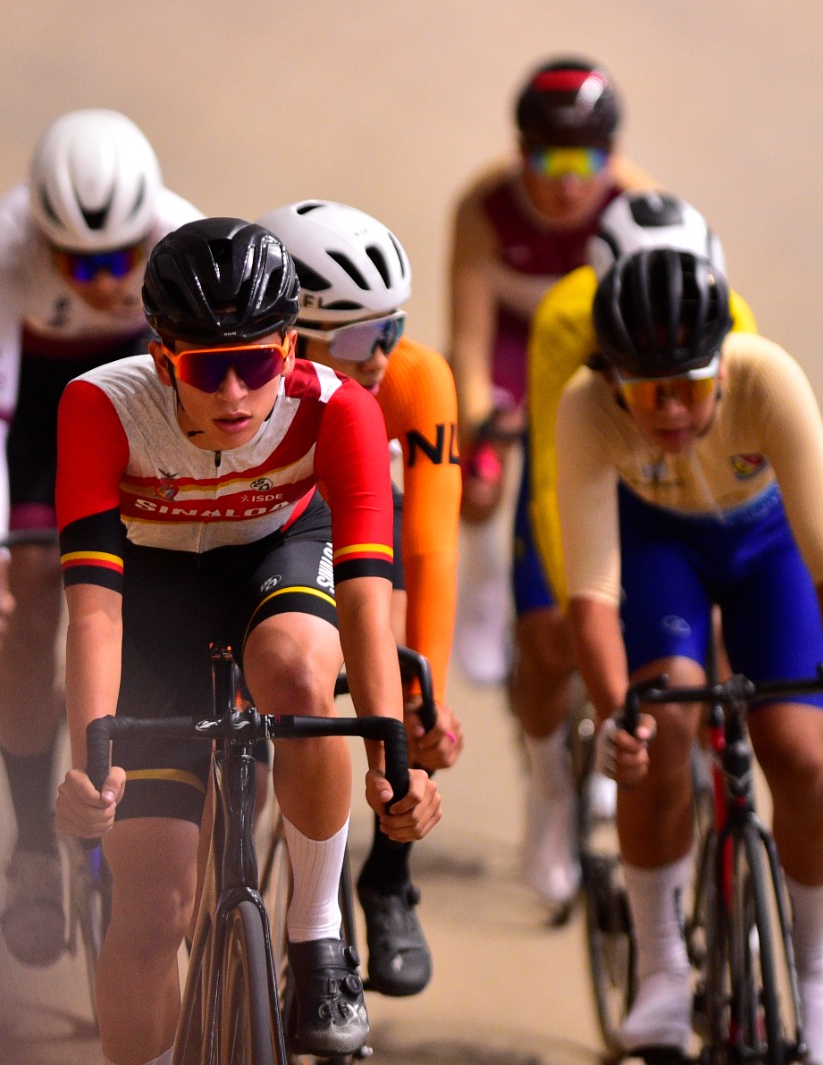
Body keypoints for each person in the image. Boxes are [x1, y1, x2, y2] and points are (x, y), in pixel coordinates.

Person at [53, 218, 442, 1065]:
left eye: (257, 365)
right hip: (155, 595)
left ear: (290, 349)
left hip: (279, 555)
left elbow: (367, 602)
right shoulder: (99, 407)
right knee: (152, 911)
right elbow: (95, 613)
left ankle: (319, 936)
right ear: (163, 360)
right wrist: (91, 764)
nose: (234, 393)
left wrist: (393, 758)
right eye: (206, 368)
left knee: (298, 671)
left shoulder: (340, 407)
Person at [557, 248, 823, 1065]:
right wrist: (616, 716)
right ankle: (663, 967)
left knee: (799, 747)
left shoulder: (768, 376)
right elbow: (593, 595)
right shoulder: (584, 406)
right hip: (658, 545)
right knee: (660, 722)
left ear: (723, 364)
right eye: (647, 391)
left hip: (765, 548)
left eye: (691, 385)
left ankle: (817, 965)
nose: (672, 409)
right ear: (612, 379)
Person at [0, 108, 201, 967]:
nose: (107, 279)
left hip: (141, 388)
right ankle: (31, 844)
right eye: (83, 264)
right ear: (44, 240)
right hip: (41, 404)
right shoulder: (6, 246)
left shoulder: (180, 233)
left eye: (123, 259)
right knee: (29, 608)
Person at [517, 190, 760, 909]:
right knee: (548, 636)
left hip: (683, 490)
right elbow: (553, 478)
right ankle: (550, 788)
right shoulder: (567, 319)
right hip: (588, 463)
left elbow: (744, 474)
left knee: (721, 655)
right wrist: (574, 603)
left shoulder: (734, 320)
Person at [257, 200, 463, 997]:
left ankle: (389, 879)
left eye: (391, 328)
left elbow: (432, 545)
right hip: (274, 516)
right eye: (354, 338)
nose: (380, 354)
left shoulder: (416, 378)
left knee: (404, 687)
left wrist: (427, 697)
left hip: (366, 513)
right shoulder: (245, 385)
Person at [446, 55, 653, 694]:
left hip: (590, 343)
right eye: (550, 162)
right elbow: (469, 340)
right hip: (513, 339)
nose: (568, 185)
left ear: (612, 156)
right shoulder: (483, 205)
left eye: (586, 162)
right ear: (521, 154)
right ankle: (485, 586)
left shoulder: (634, 203)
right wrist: (479, 420)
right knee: (478, 477)